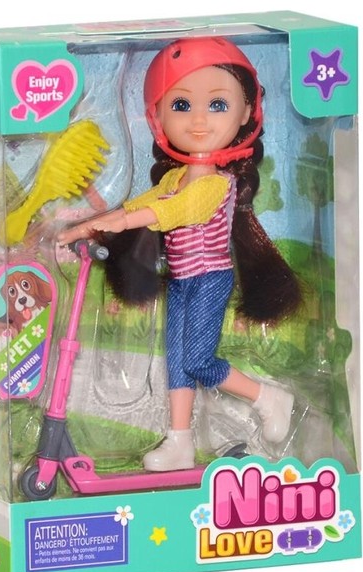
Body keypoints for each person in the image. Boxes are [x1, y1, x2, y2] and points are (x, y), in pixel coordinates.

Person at [58, 37, 301, 471]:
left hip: (209, 279)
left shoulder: (216, 183)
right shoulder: (174, 179)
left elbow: (174, 212)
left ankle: (269, 397)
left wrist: (122, 222)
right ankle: (179, 441)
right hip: (183, 280)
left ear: (246, 112)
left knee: (198, 361)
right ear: (157, 117)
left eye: (218, 105)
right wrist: (84, 227)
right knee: (177, 362)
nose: (200, 120)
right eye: (182, 105)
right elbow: (135, 206)